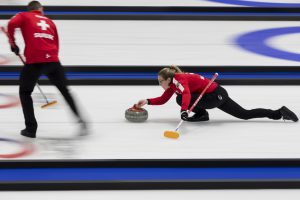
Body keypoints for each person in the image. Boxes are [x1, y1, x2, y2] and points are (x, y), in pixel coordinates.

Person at [7, 1, 87, 138]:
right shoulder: (50, 21)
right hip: (53, 61)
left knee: (25, 92)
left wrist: (13, 44)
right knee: (65, 91)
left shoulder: (24, 15)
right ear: (41, 9)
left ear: (29, 9)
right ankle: (81, 121)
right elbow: (56, 42)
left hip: (34, 62)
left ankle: (31, 129)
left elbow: (11, 24)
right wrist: (51, 56)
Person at [136, 65, 298, 123]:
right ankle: (278, 113)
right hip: (213, 94)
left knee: (180, 99)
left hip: (215, 95)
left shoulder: (178, 78)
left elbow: (185, 93)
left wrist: (184, 110)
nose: (159, 84)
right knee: (245, 115)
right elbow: (163, 100)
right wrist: (147, 101)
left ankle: (201, 114)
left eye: (160, 81)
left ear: (168, 78)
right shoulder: (172, 84)